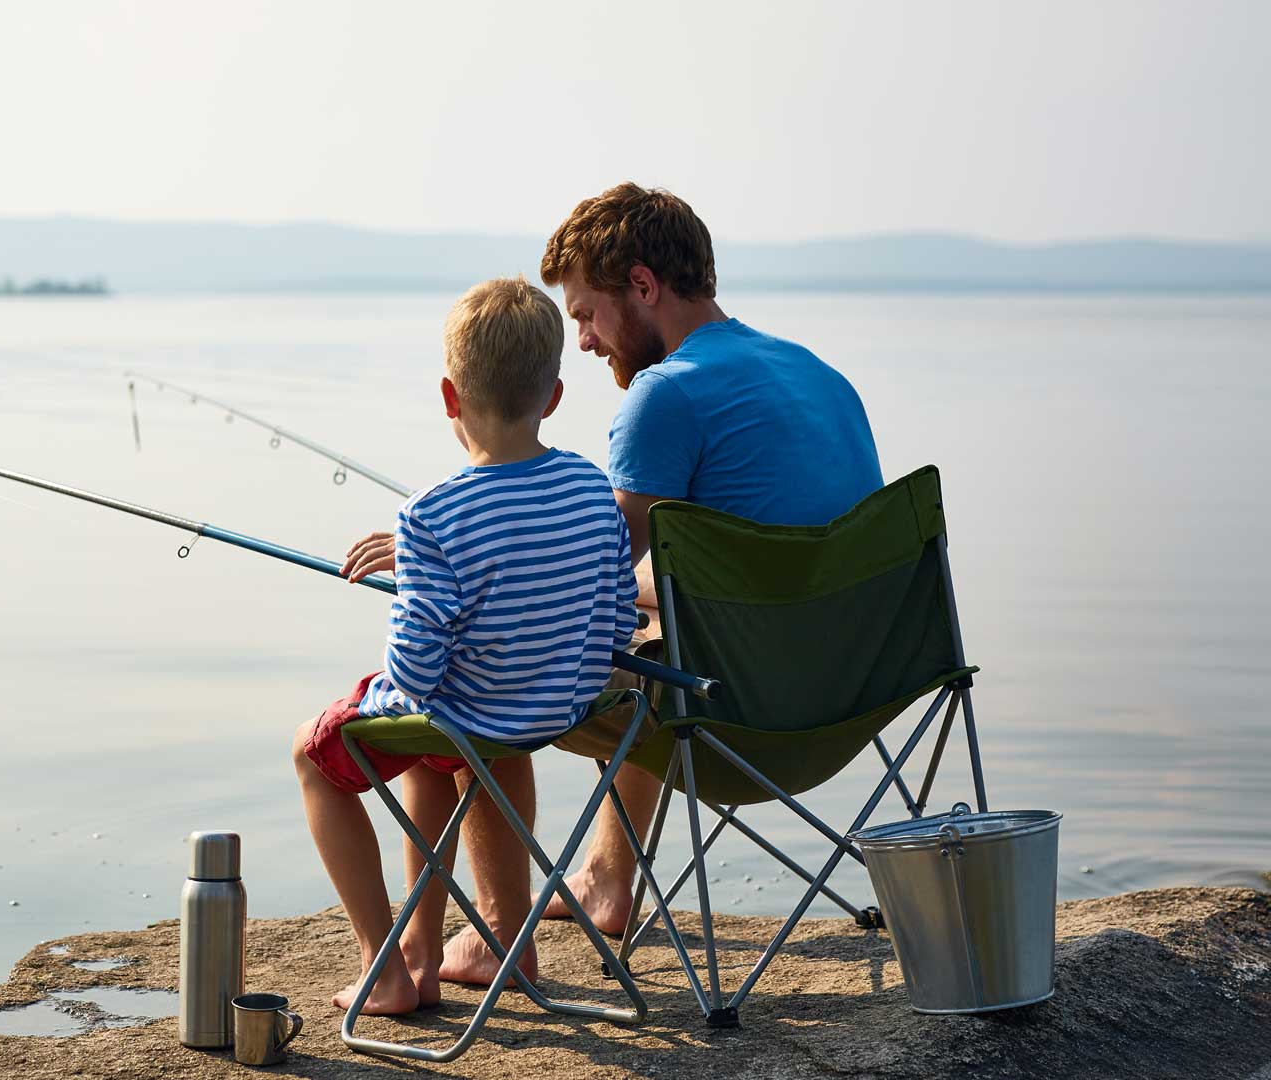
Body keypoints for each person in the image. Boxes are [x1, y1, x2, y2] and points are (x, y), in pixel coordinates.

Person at [342, 182, 883, 983]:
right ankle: (605, 877)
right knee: (643, 638)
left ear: (642, 285)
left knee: (493, 664)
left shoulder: (667, 396)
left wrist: (443, 552)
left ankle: (498, 930)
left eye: (588, 313)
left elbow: (568, 581)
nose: (587, 342)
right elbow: (694, 574)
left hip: (742, 714)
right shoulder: (816, 371)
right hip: (855, 688)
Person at [292, 276, 640, 1016]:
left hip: (473, 719)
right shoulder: (590, 488)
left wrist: (413, 602)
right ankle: (437, 953)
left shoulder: (429, 516)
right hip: (564, 709)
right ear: (552, 396)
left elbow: (416, 674)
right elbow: (616, 625)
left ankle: (379, 963)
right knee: (438, 754)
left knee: (314, 753)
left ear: (450, 397)